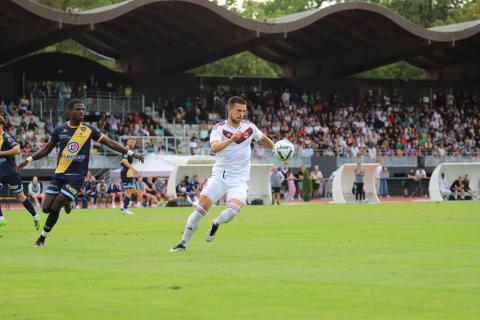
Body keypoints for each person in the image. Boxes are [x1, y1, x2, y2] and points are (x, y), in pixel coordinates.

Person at [17, 99, 144, 247]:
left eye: (83, 109)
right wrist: (29, 159)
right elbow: (46, 149)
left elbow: (110, 142)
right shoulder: (60, 130)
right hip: (59, 174)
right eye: (78, 109)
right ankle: (68, 201)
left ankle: (42, 238)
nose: (82, 112)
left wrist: (131, 153)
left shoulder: (89, 129)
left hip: (77, 176)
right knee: (45, 208)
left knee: (56, 205)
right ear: (70, 111)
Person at [170, 96, 274, 252]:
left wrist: (275, 148)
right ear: (230, 110)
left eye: (244, 111)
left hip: (239, 180)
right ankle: (182, 243)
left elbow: (263, 138)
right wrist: (231, 139)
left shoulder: (250, 127)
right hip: (219, 177)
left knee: (232, 212)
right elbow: (214, 148)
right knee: (199, 211)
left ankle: (216, 223)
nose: (241, 114)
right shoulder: (219, 128)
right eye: (238, 111)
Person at [0, 116, 40, 229]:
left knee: (20, 197)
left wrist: (1, 153)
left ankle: (35, 216)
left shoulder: (6, 137)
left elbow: (17, 150)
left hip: (10, 173)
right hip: (1, 173)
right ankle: (1, 219)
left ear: (1, 125)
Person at [120, 136, 137, 214]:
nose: (133, 143)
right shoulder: (126, 150)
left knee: (129, 191)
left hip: (128, 173)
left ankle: (123, 207)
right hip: (126, 173)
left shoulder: (130, 150)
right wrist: (133, 168)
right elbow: (124, 161)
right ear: (128, 142)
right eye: (131, 142)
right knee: (129, 191)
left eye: (134, 142)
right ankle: (125, 209)